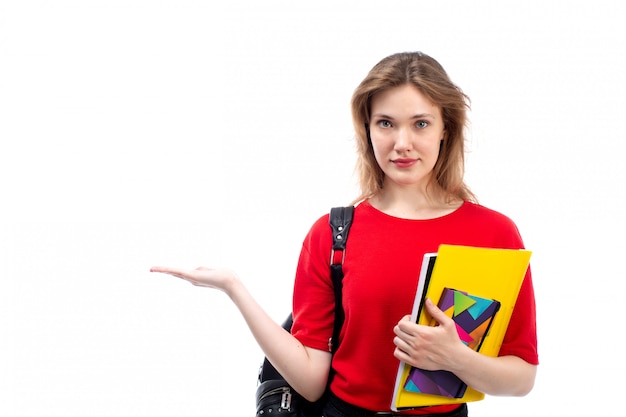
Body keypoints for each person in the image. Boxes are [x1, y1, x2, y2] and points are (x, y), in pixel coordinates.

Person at [151, 51, 538, 416]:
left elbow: (522, 378)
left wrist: (455, 358)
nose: (402, 143)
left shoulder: (493, 232)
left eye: (420, 123)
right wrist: (233, 288)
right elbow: (311, 382)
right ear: (367, 129)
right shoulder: (332, 234)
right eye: (385, 123)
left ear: (445, 129)